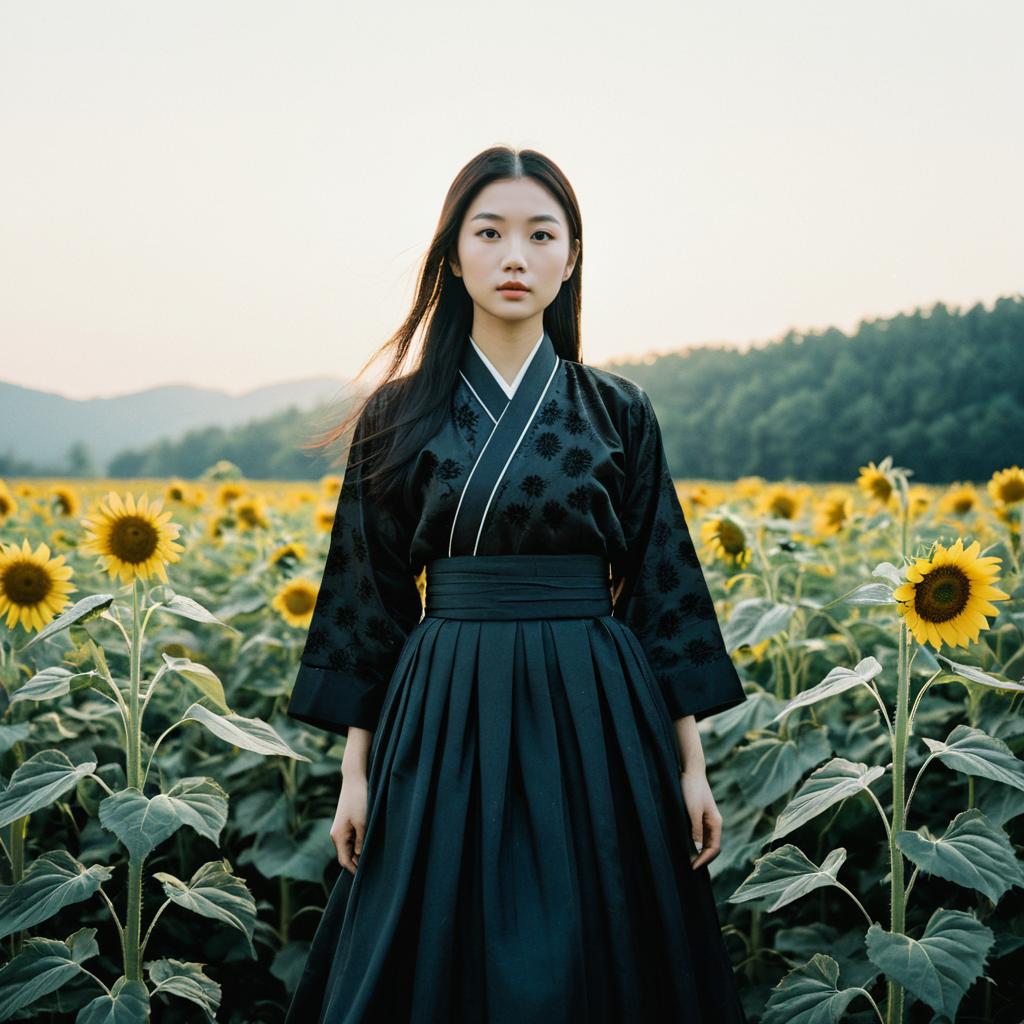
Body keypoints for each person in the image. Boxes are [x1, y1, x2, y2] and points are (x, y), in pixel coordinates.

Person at [283, 146, 749, 1023]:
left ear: (571, 257)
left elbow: (660, 585)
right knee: (432, 944)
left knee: (601, 940)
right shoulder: (397, 413)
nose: (514, 257)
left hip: (598, 704)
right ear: (453, 255)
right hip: (445, 697)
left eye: (542, 235)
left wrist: (692, 765)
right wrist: (356, 770)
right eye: (489, 233)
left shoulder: (620, 409)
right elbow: (366, 595)